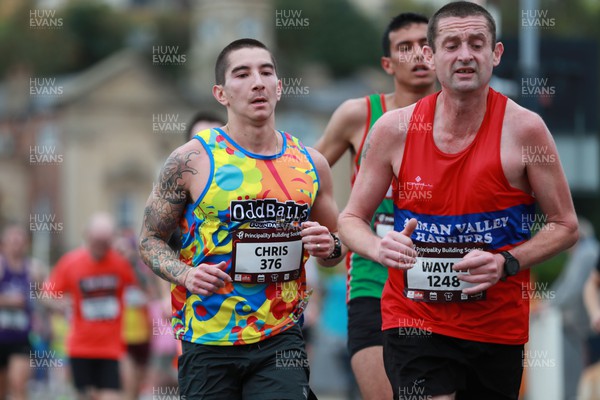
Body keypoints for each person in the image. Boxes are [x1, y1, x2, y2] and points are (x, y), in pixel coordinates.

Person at [338, 2, 578, 399]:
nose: (464, 54)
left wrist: (506, 262)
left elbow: (565, 225)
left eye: (476, 43)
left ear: (495, 54)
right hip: (414, 319)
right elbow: (351, 218)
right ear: (431, 56)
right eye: (451, 44)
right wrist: (380, 248)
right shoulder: (393, 130)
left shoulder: (525, 130)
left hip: (496, 327)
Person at [139, 38, 344, 400]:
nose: (258, 82)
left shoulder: (311, 164)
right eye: (243, 73)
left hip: (280, 336)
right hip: (208, 338)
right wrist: (186, 274)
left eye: (266, 72)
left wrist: (330, 246)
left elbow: (336, 248)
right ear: (221, 93)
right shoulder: (191, 161)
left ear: (279, 87)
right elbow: (149, 239)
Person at [314, 12, 436, 400]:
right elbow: (300, 178)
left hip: (436, 280)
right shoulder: (358, 115)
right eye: (406, 47)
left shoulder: (461, 117)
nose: (418, 54)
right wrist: (333, 234)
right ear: (388, 64)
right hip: (371, 279)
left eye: (426, 45)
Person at [44, 213, 135, 400]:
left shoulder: (120, 262)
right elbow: (46, 294)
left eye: (105, 242)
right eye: (97, 241)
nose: (101, 247)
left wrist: (133, 257)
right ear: (87, 236)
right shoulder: (70, 262)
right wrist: (57, 303)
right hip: (81, 347)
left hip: (111, 347)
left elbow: (146, 287)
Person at [547, 217, 599, 399]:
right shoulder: (584, 252)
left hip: (588, 327)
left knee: (588, 371)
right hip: (586, 325)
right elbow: (568, 284)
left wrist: (548, 303)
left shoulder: (586, 253)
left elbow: (572, 286)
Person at [0, 225, 44, 400]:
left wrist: (59, 305)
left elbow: (41, 298)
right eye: (13, 241)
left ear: (26, 244)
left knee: (19, 384)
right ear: (4, 244)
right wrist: (9, 301)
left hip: (21, 338)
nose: (16, 245)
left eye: (20, 241)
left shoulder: (34, 269)